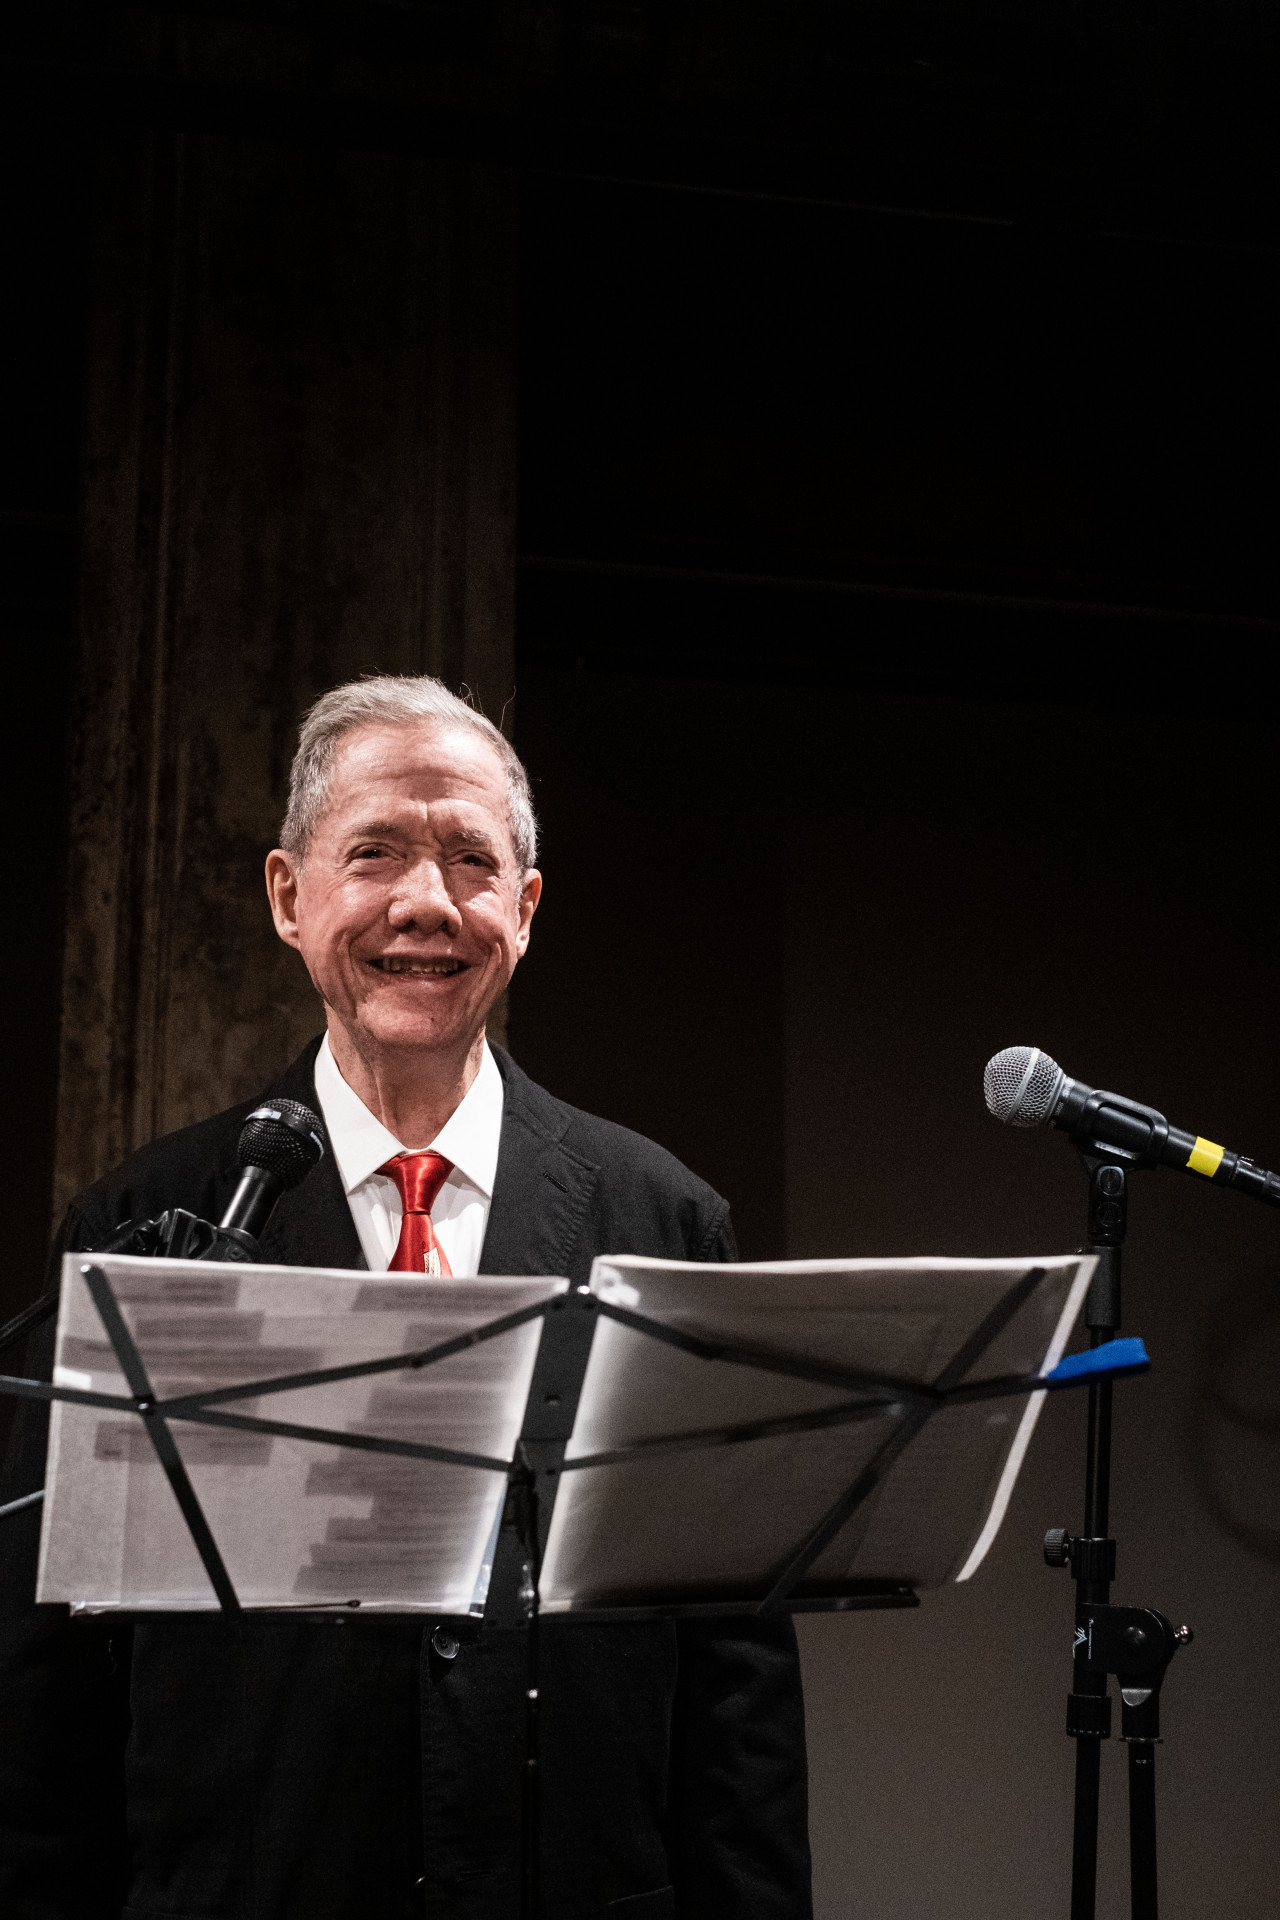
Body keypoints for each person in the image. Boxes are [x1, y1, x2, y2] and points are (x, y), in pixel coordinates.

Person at [0, 675, 812, 1920]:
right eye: (373, 853)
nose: (425, 903)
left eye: (471, 861)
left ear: (523, 910)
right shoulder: (140, 1221)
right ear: (289, 896)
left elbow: (734, 1677)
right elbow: (45, 1678)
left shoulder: (664, 1220)